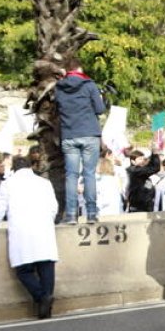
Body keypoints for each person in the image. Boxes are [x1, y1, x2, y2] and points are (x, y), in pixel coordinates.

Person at [0, 156, 59, 319]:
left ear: (14, 168)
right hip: (43, 229)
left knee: (23, 271)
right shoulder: (44, 183)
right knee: (46, 267)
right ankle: (46, 301)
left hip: (21, 232)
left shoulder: (8, 184)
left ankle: (41, 298)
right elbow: (54, 207)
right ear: (30, 166)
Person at [55, 56, 105, 224]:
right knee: (89, 174)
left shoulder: (59, 87)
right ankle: (91, 213)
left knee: (71, 175)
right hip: (90, 133)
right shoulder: (89, 85)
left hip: (69, 134)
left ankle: (71, 214)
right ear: (80, 69)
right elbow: (100, 109)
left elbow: (58, 109)